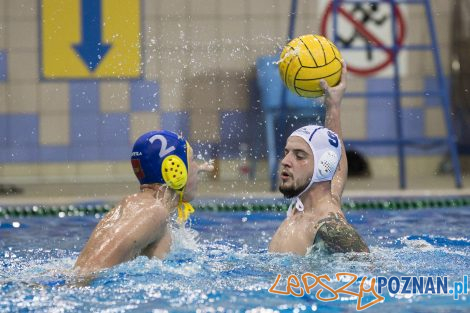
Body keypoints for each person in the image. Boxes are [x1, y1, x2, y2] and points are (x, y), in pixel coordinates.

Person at [74, 130, 213, 274]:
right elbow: (87, 271)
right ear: (175, 168)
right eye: (193, 160)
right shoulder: (151, 211)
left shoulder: (142, 206)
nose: (198, 167)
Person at [269, 64, 369, 255]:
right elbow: (337, 165)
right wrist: (333, 105)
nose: (286, 161)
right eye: (286, 152)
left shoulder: (329, 225)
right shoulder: (302, 207)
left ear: (323, 167)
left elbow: (370, 271)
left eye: (299, 156)